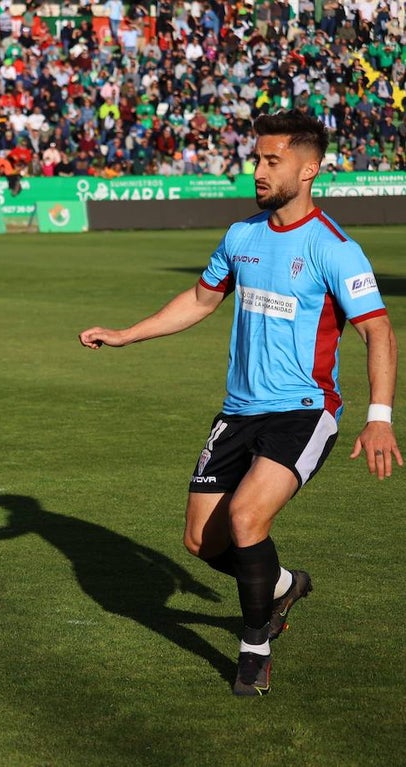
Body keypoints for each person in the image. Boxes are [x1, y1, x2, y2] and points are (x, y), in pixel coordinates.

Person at [78, 111, 400, 697]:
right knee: (202, 542)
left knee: (248, 518)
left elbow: (378, 331)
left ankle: (254, 647)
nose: (257, 170)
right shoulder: (241, 235)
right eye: (256, 158)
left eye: (271, 161)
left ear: (309, 171)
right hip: (238, 410)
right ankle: (280, 583)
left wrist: (380, 419)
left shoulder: (335, 248)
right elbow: (200, 300)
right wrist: (128, 334)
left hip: (305, 408)